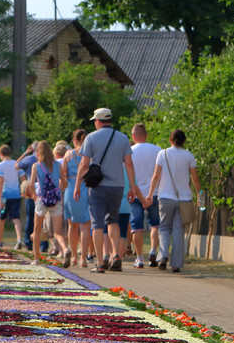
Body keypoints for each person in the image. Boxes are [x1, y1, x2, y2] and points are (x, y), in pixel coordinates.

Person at [75, 107, 142, 273]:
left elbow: (84, 164)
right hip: (117, 186)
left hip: (97, 187)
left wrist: (77, 185)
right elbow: (128, 164)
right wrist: (132, 187)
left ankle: (100, 262)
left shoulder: (90, 138)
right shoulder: (122, 138)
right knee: (113, 220)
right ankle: (115, 255)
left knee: (97, 224)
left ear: (98, 121)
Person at [147, 129, 201, 274]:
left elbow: (156, 176)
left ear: (171, 140)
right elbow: (195, 178)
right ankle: (176, 265)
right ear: (184, 141)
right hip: (184, 199)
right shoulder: (189, 156)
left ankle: (163, 255)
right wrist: (199, 195)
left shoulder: (162, 154)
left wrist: (150, 193)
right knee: (178, 231)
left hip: (165, 197)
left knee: (164, 228)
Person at [28, 140, 69, 266]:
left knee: (37, 229)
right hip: (56, 200)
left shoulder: (36, 166)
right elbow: (64, 183)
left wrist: (34, 196)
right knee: (58, 232)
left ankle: (36, 258)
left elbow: (30, 185)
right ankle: (65, 249)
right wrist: (60, 187)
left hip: (42, 200)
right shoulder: (57, 165)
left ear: (39, 152)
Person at [130, 123, 162, 267]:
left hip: (135, 194)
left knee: (136, 227)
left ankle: (139, 257)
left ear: (133, 136)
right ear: (146, 135)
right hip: (154, 193)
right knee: (155, 225)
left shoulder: (129, 151)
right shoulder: (158, 151)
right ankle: (153, 251)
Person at [63, 129, 91, 267]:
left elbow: (64, 173)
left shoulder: (68, 154)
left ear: (75, 140)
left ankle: (74, 255)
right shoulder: (90, 154)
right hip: (86, 188)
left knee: (72, 225)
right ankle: (84, 257)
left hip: (70, 188)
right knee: (85, 225)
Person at [0, 144, 24, 249]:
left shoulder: (0, 165)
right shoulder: (16, 163)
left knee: (1, 218)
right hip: (16, 194)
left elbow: (0, 181)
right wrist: (23, 191)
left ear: (1, 154)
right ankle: (19, 238)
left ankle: (0, 241)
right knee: (16, 218)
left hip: (5, 196)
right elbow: (23, 178)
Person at [16, 142, 42, 251]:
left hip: (32, 190)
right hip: (43, 190)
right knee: (43, 219)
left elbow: (16, 165)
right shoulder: (47, 159)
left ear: (33, 149)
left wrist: (25, 153)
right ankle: (43, 243)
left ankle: (28, 242)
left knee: (31, 217)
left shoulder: (30, 159)